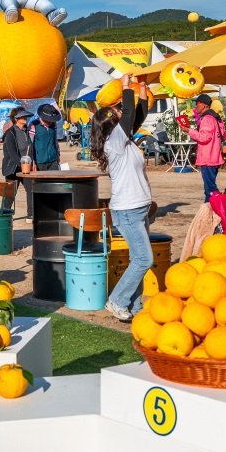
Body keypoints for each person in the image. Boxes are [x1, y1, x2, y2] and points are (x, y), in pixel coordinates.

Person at [89, 76, 153, 321]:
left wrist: (143, 87)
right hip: (127, 211)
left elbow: (138, 115)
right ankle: (117, 300)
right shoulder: (114, 142)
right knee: (144, 259)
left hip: (138, 208)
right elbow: (128, 115)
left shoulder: (124, 140)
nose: (121, 110)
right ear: (111, 122)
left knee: (138, 259)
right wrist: (126, 87)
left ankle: (135, 307)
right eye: (116, 110)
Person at [181, 94, 225, 202]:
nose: (196, 106)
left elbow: (204, 137)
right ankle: (210, 208)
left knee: (210, 189)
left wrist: (189, 130)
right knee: (209, 187)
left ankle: (219, 207)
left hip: (207, 158)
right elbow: (223, 135)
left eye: (197, 104)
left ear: (204, 105)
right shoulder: (216, 117)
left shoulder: (206, 119)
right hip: (215, 157)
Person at [1, 106, 35, 219]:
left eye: (25, 116)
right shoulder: (10, 133)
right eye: (22, 116)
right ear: (16, 119)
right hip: (13, 168)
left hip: (26, 167)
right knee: (10, 194)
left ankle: (31, 215)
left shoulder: (26, 131)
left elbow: (30, 149)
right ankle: (4, 216)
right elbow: (12, 153)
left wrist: (32, 162)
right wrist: (22, 165)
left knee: (31, 190)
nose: (25, 118)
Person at [31, 104, 62, 170]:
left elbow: (55, 141)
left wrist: (58, 155)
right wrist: (32, 161)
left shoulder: (54, 124)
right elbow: (30, 144)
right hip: (39, 162)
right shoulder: (33, 125)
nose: (51, 122)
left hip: (53, 161)